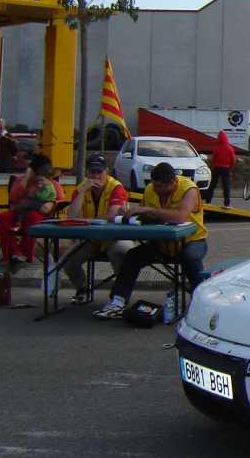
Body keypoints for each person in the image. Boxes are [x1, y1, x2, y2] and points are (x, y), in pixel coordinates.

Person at [93, 162, 208, 319]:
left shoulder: (189, 189)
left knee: (190, 257)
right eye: (154, 186)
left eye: (160, 187)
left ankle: (203, 301)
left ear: (173, 182)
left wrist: (149, 210)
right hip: (162, 243)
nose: (156, 190)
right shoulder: (151, 189)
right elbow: (144, 214)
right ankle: (117, 301)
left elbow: (181, 216)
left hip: (192, 241)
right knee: (133, 255)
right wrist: (129, 213)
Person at [61, 153, 135, 302]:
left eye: (99, 172)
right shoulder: (81, 188)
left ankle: (119, 295)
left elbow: (111, 216)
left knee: (122, 252)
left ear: (106, 171)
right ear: (87, 172)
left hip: (115, 237)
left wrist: (85, 221)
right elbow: (72, 216)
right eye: (92, 172)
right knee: (67, 260)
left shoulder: (116, 187)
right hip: (92, 238)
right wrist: (82, 192)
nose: (95, 175)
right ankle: (82, 289)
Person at [0, 156, 64, 266]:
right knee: (3, 217)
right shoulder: (22, 180)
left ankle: (25, 254)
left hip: (41, 215)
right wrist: (26, 179)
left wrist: (51, 203)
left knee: (32, 216)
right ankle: (13, 254)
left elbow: (60, 200)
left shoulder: (51, 183)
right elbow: (13, 198)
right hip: (20, 212)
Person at [203, 131, 235, 207]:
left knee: (212, 185)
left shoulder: (216, 148)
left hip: (217, 168)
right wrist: (230, 167)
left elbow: (213, 159)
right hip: (226, 168)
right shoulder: (230, 148)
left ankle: (208, 201)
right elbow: (233, 160)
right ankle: (227, 204)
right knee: (226, 186)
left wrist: (212, 166)